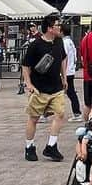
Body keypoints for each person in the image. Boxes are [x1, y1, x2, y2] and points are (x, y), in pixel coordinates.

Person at [20, 13, 66, 163]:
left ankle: (51, 145)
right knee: (34, 118)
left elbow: (63, 58)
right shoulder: (36, 45)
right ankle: (29, 146)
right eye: (57, 26)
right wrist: (29, 84)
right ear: (50, 28)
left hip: (56, 87)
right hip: (39, 88)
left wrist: (64, 77)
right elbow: (26, 66)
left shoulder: (59, 42)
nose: (60, 28)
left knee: (59, 114)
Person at [59, 22, 81, 118]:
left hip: (66, 71)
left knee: (68, 92)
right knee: (70, 92)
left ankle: (77, 112)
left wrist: (62, 72)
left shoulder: (64, 42)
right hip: (70, 70)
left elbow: (64, 57)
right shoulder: (70, 42)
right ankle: (76, 112)